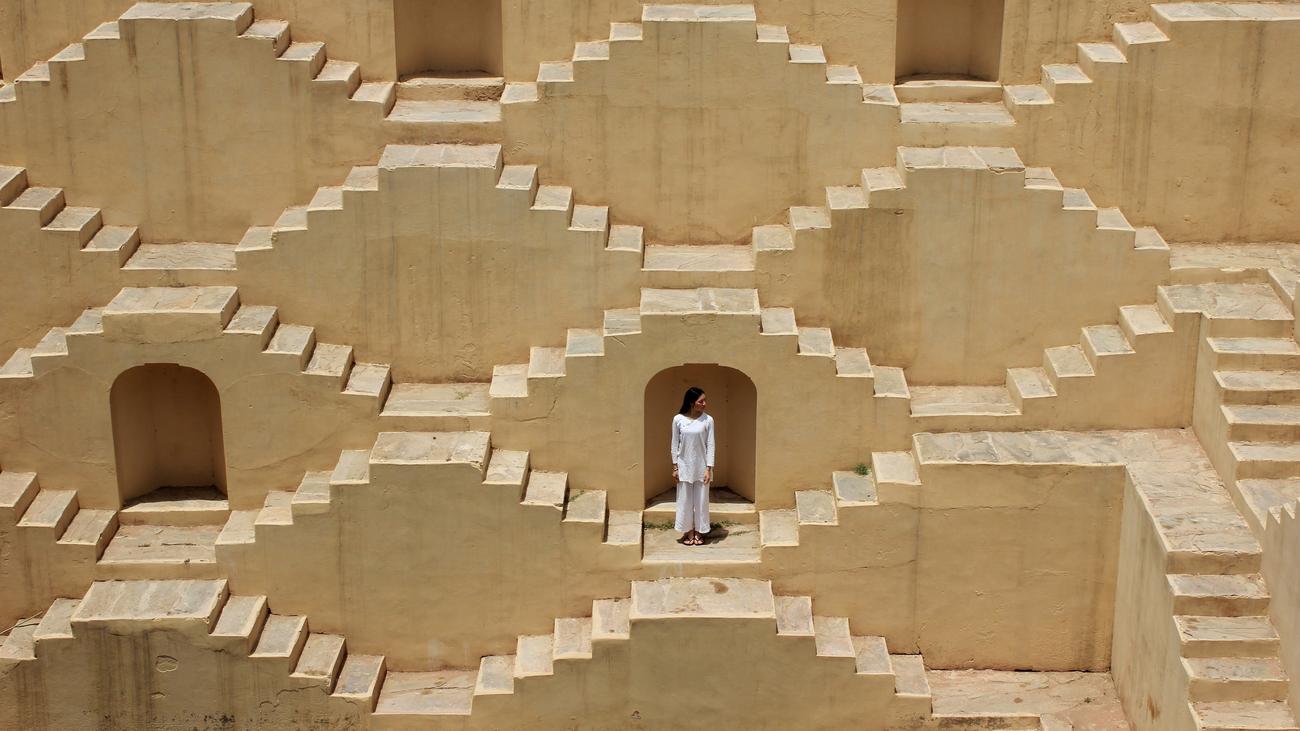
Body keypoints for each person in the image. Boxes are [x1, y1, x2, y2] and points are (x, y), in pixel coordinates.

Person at [671, 386, 715, 546]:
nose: (704, 404)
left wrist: (708, 468)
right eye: (701, 401)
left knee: (701, 501)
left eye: (705, 400)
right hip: (684, 466)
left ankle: (699, 531)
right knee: (684, 501)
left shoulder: (708, 420)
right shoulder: (678, 419)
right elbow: (674, 444)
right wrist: (675, 467)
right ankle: (688, 531)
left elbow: (711, 445)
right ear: (691, 402)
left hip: (702, 467)